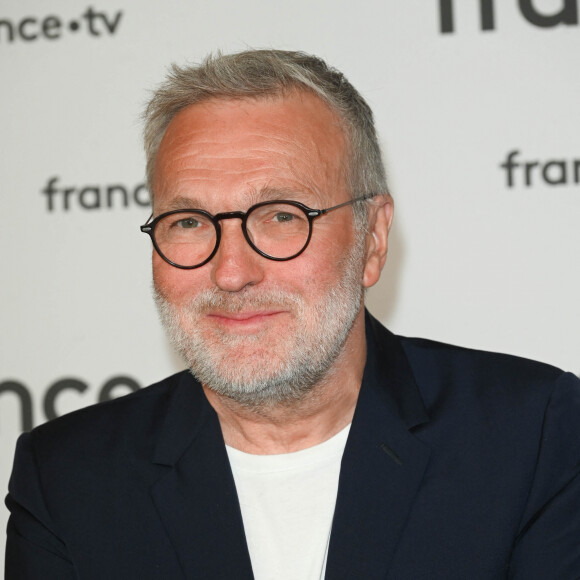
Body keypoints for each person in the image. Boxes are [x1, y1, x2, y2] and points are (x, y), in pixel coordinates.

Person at [5, 49, 580, 580]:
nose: (231, 272)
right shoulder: (66, 478)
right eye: (187, 222)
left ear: (372, 239)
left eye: (281, 216)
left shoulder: (534, 437)